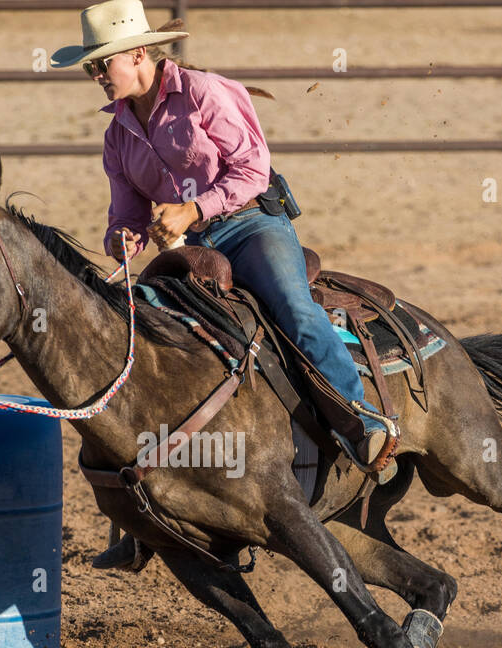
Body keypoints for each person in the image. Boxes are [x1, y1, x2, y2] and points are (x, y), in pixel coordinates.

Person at [51, 1, 394, 569]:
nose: (95, 76)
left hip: (250, 224)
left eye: (99, 64)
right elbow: (125, 212)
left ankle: (360, 421)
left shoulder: (206, 93)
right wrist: (124, 239)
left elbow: (252, 170)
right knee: (142, 338)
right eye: (91, 68)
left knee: (293, 308)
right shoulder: (118, 136)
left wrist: (191, 210)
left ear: (137, 55)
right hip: (190, 247)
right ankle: (145, 518)